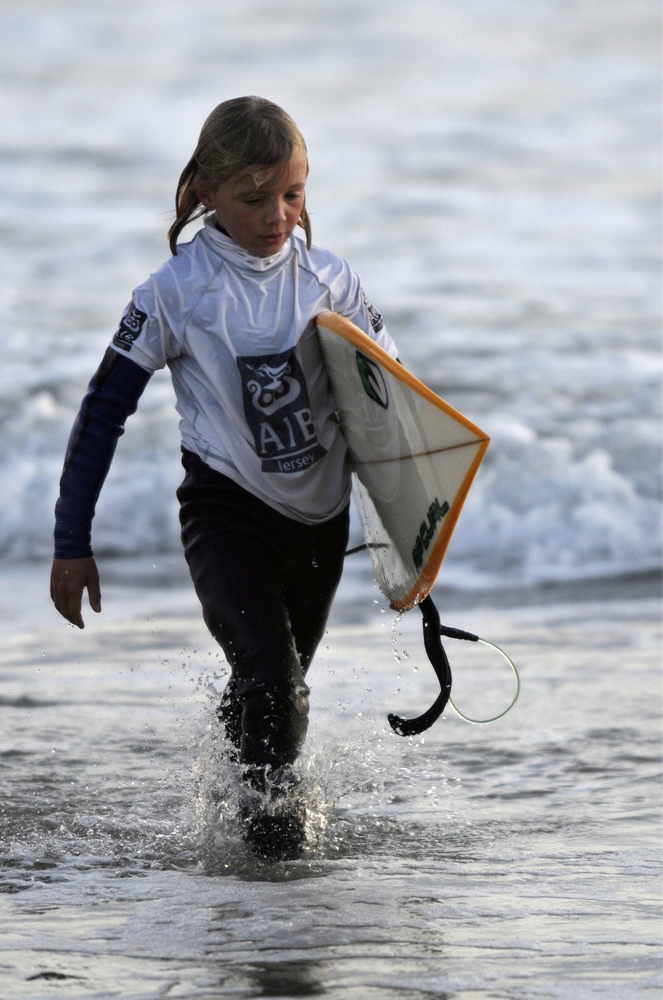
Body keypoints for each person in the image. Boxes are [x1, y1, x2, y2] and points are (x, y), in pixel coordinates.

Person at [50, 96, 397, 858]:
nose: (277, 215)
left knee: (282, 698)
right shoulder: (174, 291)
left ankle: (241, 847)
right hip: (224, 511)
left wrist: (415, 538)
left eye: (292, 193)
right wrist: (70, 540)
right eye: (253, 198)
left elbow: (392, 413)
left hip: (318, 519)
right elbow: (101, 413)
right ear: (206, 191)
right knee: (273, 682)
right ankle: (274, 866)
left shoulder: (330, 281)